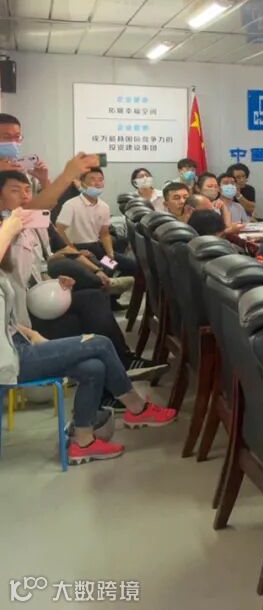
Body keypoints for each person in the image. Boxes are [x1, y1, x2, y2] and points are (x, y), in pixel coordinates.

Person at [0, 208, 178, 463]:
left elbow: (8, 321)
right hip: (10, 359)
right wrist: (9, 228)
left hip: (18, 343)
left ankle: (83, 442)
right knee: (100, 343)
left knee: (93, 367)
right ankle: (137, 408)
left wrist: (33, 334)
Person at [0, 172, 163, 384]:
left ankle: (124, 358)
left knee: (106, 284)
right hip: (27, 307)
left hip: (93, 254)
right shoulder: (67, 207)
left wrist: (108, 258)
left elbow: (102, 235)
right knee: (88, 296)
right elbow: (62, 240)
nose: (24, 196)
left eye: (27, 190)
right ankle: (108, 284)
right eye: (15, 190)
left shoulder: (101, 207)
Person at [55, 168, 137, 277]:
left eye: (100, 179)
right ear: (83, 183)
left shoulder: (104, 206)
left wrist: (110, 254)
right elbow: (59, 230)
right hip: (79, 250)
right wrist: (73, 251)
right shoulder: (71, 205)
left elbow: (105, 234)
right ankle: (103, 280)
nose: (97, 183)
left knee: (130, 266)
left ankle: (113, 287)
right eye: (92, 179)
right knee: (99, 271)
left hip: (97, 249)